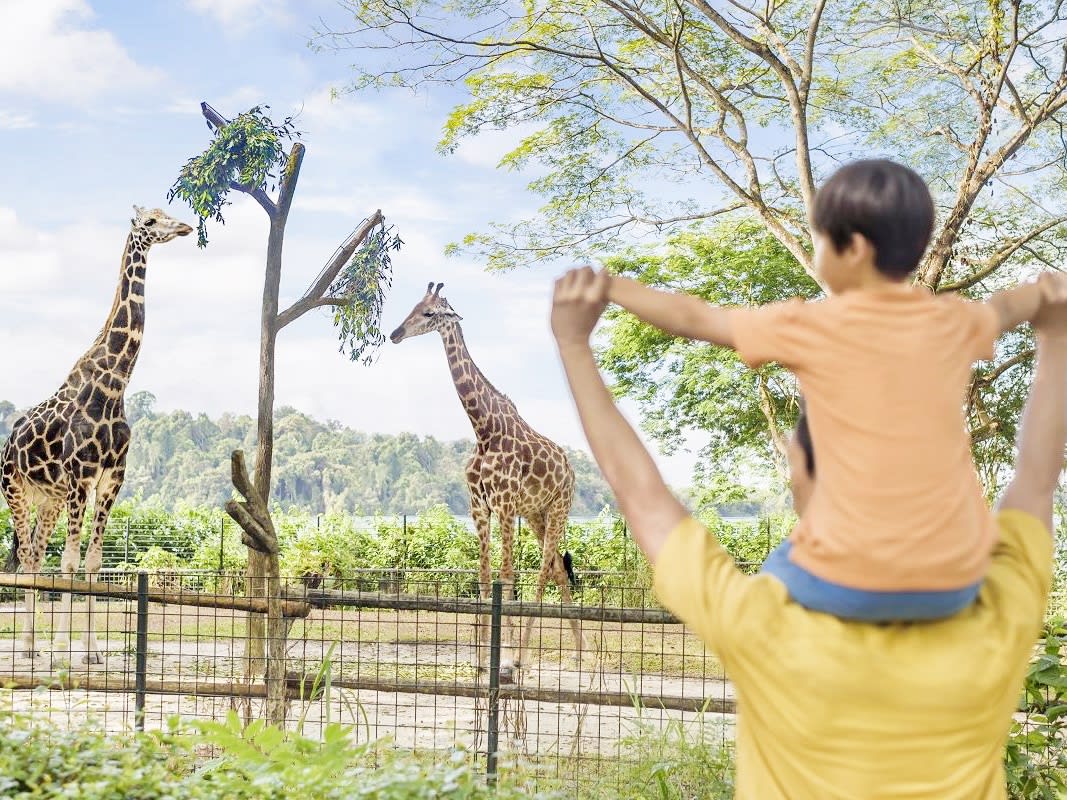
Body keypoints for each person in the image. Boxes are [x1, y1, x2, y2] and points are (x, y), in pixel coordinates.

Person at [551, 265, 1067, 798]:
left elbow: (644, 498)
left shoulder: (763, 620)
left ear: (801, 465)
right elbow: (1035, 480)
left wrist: (573, 345)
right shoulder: (997, 609)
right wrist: (1056, 339)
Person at [606, 159, 1060, 621]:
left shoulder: (812, 325)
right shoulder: (954, 321)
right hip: (954, 581)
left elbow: (696, 319)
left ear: (855, 249)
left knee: (774, 572)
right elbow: (1007, 306)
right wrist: (1046, 292)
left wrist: (614, 288)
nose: (816, 248)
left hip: (848, 582)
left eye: (819, 238)